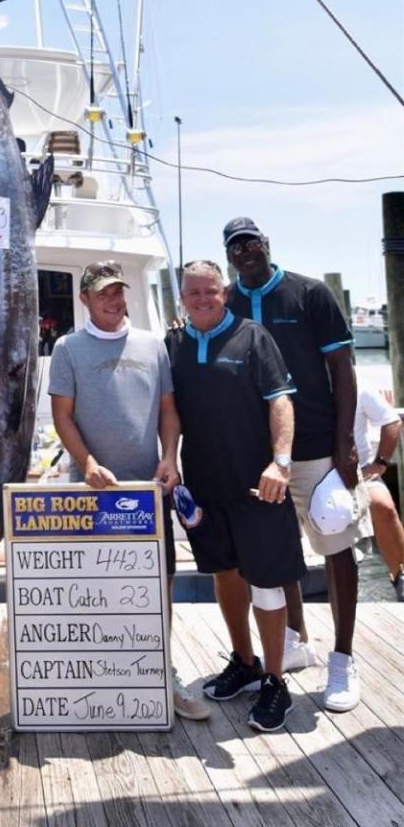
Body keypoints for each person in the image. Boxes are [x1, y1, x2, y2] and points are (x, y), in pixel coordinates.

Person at [48, 259, 210, 722]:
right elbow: (62, 416)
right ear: (85, 300)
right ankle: (102, 683)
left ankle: (163, 673)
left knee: (160, 585)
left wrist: (169, 456)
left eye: (118, 291)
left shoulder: (152, 344)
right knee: (95, 590)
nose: (114, 301)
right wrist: (88, 463)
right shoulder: (66, 348)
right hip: (91, 495)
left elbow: (168, 412)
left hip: (147, 493)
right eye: (103, 294)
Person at [223, 216, 361, 711]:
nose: (245, 252)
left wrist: (346, 442)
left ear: (266, 243)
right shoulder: (225, 300)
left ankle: (343, 660)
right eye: (235, 247)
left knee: (336, 541)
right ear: (228, 255)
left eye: (251, 242)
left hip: (318, 446)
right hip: (257, 455)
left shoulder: (310, 294)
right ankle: (296, 642)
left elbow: (343, 369)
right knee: (276, 552)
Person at [167, 260, 305, 732]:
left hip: (258, 485)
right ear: (181, 296)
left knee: (265, 582)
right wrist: (169, 459)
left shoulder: (253, 336)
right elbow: (171, 412)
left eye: (210, 291)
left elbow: (281, 400)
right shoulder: (175, 344)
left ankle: (274, 680)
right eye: (193, 293)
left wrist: (280, 462)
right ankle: (244, 662)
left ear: (224, 292)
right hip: (205, 484)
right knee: (223, 573)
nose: (202, 299)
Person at [354, 385, 404, 600]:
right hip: (310, 472)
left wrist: (380, 463)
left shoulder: (360, 385)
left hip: (360, 473)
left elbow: (391, 420)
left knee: (384, 506)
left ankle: (400, 576)